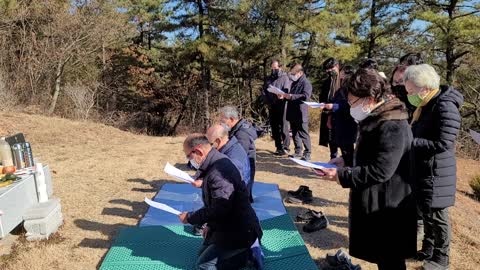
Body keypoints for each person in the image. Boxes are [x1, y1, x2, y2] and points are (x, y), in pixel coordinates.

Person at [318, 68, 417, 270]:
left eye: (353, 102)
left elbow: (381, 169)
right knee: (385, 257)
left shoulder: (392, 123)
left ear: (370, 98)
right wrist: (346, 160)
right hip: (379, 199)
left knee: (390, 258)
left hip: (389, 204)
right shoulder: (377, 116)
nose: (350, 106)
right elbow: (371, 152)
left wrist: (341, 176)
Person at [404, 64, 463, 270]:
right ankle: (428, 249)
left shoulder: (445, 106)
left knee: (438, 216)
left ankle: (441, 258)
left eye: (411, 91)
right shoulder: (427, 104)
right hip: (423, 170)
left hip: (437, 172)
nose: (409, 95)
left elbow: (443, 143)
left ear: (425, 88)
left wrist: (411, 141)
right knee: (426, 212)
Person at [179, 134, 263, 270]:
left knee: (203, 266)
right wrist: (210, 226)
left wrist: (189, 218)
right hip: (229, 223)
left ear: (199, 151)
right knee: (201, 253)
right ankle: (242, 256)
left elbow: (219, 210)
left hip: (240, 231)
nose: (189, 160)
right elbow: (219, 206)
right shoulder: (215, 161)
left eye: (189, 156)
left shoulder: (218, 172)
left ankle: (247, 257)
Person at [321, 65, 357, 166]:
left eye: (342, 72)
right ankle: (334, 164)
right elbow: (333, 100)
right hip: (336, 123)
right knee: (336, 144)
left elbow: (348, 105)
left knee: (347, 149)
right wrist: (326, 106)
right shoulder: (341, 88)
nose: (340, 74)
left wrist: (333, 106)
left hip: (347, 124)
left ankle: (350, 168)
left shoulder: (353, 89)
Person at [219, 106, 257, 202]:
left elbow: (239, 155)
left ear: (231, 119)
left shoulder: (241, 134)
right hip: (245, 165)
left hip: (244, 167)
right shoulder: (238, 128)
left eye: (223, 121)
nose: (221, 124)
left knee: (243, 195)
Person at [278, 64, 312, 161]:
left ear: (300, 73)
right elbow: (290, 95)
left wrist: (291, 96)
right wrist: (284, 96)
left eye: (294, 73)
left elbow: (305, 96)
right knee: (295, 133)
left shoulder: (306, 83)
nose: (292, 75)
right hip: (292, 113)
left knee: (303, 133)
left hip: (301, 113)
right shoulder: (294, 83)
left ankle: (307, 153)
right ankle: (298, 151)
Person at [262, 60, 291, 156]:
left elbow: (287, 90)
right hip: (272, 105)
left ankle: (286, 148)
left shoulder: (285, 77)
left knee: (283, 127)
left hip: (282, 105)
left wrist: (282, 95)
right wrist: (266, 99)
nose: (273, 70)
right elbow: (264, 90)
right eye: (272, 68)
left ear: (280, 67)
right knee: (274, 128)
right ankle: (278, 147)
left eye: (275, 68)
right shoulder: (269, 78)